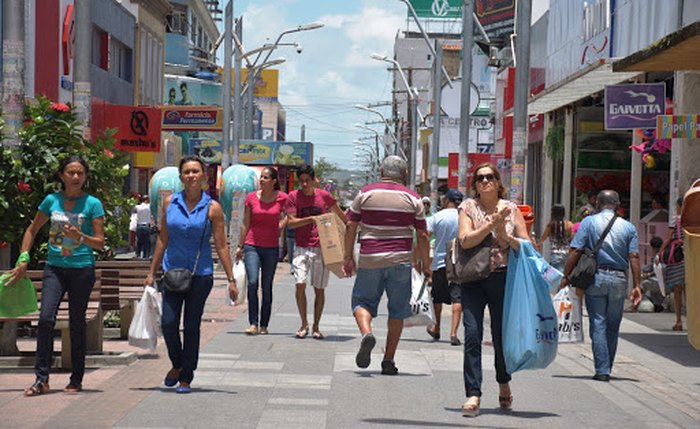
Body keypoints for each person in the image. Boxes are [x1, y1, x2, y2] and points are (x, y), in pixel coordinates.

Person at [5, 156, 105, 396]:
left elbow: (100, 243)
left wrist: (80, 236)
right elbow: (32, 230)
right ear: (61, 175)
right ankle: (41, 379)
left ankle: (76, 378)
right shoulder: (51, 201)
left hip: (81, 269)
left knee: (76, 322)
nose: (75, 177)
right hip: (55, 268)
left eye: (80, 173)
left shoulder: (92, 204)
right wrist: (23, 259)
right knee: (46, 319)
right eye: (70, 172)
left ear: (85, 176)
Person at [145, 156, 238, 394]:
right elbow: (163, 238)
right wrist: (151, 272)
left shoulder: (212, 208)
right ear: (181, 177)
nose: (191, 176)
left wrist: (231, 279)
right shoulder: (169, 203)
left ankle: (186, 376)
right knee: (168, 323)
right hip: (172, 273)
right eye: (186, 172)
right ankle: (177, 364)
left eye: (195, 171)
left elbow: (221, 245)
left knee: (192, 325)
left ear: (204, 177)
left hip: (200, 275)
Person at [342, 156, 431, 376]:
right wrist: (425, 264)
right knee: (397, 311)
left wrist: (348, 256)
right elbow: (422, 234)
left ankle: (366, 333)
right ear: (404, 173)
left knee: (361, 301)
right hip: (401, 261)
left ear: (381, 170)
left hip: (370, 258)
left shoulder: (365, 193)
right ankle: (388, 361)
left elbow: (351, 225)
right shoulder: (414, 198)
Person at [457, 162, 529, 417]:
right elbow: (465, 241)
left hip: (502, 278)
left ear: (499, 182)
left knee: (500, 336)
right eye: (480, 178)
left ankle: (503, 381)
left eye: (490, 177)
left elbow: (526, 246)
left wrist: (505, 235)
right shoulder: (467, 207)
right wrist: (490, 226)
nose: (485, 181)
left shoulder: (511, 209)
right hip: (473, 279)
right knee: (473, 334)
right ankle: (473, 393)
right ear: (475, 185)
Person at [559, 190, 642, 383]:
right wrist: (637, 285)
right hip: (620, 280)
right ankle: (607, 367)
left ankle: (602, 369)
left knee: (598, 322)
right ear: (618, 204)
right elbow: (634, 257)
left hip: (596, 278)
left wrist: (565, 275)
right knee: (613, 326)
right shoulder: (628, 227)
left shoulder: (589, 222)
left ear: (597, 203)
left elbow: (576, 250)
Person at [286, 165, 348, 339]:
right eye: (301, 181)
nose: (304, 184)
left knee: (319, 288)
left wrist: (351, 230)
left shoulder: (324, 197)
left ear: (314, 180)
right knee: (300, 282)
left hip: (322, 248)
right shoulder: (293, 197)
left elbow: (342, 217)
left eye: (307, 181)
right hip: (301, 246)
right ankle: (303, 323)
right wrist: (310, 219)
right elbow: (291, 222)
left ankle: (316, 326)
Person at [236, 167, 287, 335]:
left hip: (271, 247)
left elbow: (292, 213)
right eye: (261, 177)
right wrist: (240, 245)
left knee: (267, 286)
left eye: (266, 178)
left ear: (274, 181)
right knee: (252, 282)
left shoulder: (282, 198)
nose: (262, 180)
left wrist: (282, 224)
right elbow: (245, 223)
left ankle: (264, 324)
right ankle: (253, 323)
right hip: (252, 245)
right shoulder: (251, 198)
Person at [426, 189, 464, 346]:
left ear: (447, 200)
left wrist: (423, 261)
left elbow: (425, 236)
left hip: (440, 262)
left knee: (437, 297)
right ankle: (454, 333)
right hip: (459, 263)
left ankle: (437, 327)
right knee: (457, 297)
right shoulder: (464, 217)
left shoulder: (437, 217)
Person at [660, 197, 685, 331]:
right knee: (690, 290)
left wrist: (660, 252)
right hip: (691, 255)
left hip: (678, 257)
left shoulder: (677, 219)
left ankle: (679, 321)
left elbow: (669, 238)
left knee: (677, 290)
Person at [536, 204, 573, 271]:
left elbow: (542, 239)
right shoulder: (569, 224)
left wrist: (536, 245)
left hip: (555, 255)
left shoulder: (551, 225)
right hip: (567, 254)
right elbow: (572, 238)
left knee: (556, 278)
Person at [640, 236, 665, 312]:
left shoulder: (659, 256)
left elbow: (661, 270)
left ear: (653, 247)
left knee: (642, 285)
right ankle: (657, 304)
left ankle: (637, 302)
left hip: (660, 282)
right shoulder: (663, 253)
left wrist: (648, 275)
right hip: (663, 281)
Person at [134, 195, 153, 259]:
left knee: (139, 241)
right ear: (146, 200)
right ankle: (146, 255)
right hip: (146, 225)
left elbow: (134, 216)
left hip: (139, 225)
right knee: (147, 242)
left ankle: (138, 254)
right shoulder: (149, 206)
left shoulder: (137, 207)